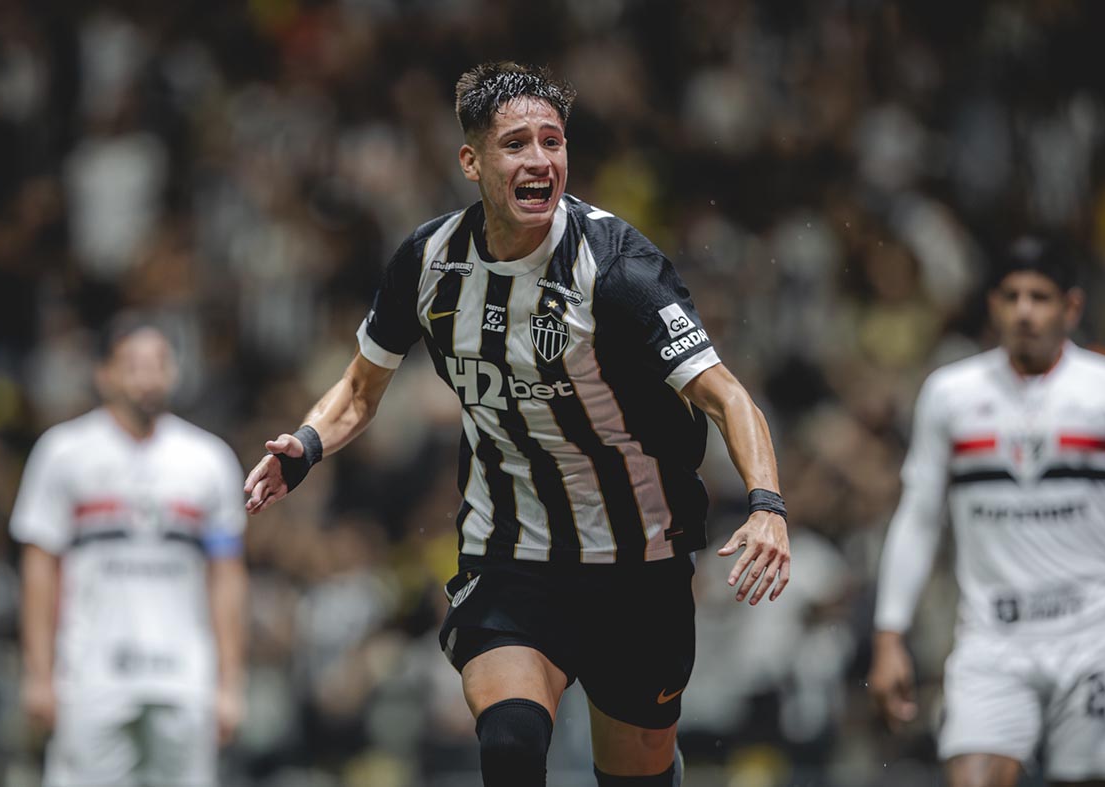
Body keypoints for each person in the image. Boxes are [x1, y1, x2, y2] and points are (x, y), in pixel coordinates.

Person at [244, 61, 791, 787]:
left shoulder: (617, 267)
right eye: (516, 144)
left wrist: (766, 504)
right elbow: (359, 387)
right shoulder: (428, 261)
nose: (539, 160)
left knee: (636, 774)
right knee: (509, 745)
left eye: (552, 141)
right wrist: (307, 444)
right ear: (471, 161)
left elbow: (726, 396)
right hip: (511, 554)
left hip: (640, 562)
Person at [868, 237, 1105, 787]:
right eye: (1011, 297)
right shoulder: (950, 394)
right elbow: (919, 518)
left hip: (1093, 634)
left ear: (1072, 307)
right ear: (992, 305)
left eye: (1040, 297)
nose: (1024, 312)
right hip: (991, 638)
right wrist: (889, 635)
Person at [12, 319, 248, 787]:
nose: (148, 378)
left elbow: (227, 577)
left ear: (174, 373)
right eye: (133, 365)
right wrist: (39, 674)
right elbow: (39, 570)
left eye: (159, 364)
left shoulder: (209, 460)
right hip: (90, 675)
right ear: (104, 374)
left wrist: (230, 683)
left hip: (185, 677)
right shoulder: (63, 453)